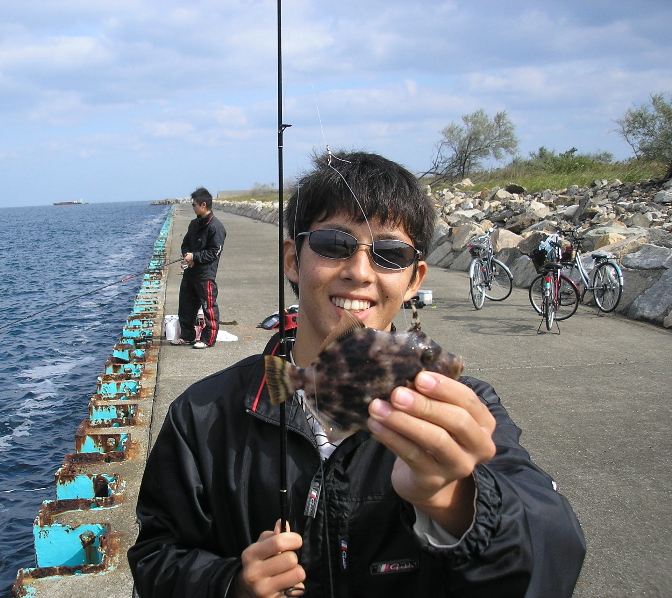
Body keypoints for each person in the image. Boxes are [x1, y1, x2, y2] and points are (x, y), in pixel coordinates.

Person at [128, 151, 586, 597]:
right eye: (333, 244)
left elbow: (553, 558)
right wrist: (232, 585)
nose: (360, 271)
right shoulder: (202, 415)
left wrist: (457, 501)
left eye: (390, 253)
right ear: (292, 260)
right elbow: (155, 556)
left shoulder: (466, 414)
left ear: (414, 279)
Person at [173, 187, 227, 349]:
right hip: (190, 273)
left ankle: (208, 339)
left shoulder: (216, 227)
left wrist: (195, 257)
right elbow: (185, 243)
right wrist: (187, 257)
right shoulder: (194, 224)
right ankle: (187, 336)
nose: (193, 207)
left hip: (205, 275)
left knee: (208, 308)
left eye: (194, 205)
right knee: (186, 306)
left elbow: (214, 252)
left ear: (203, 204)